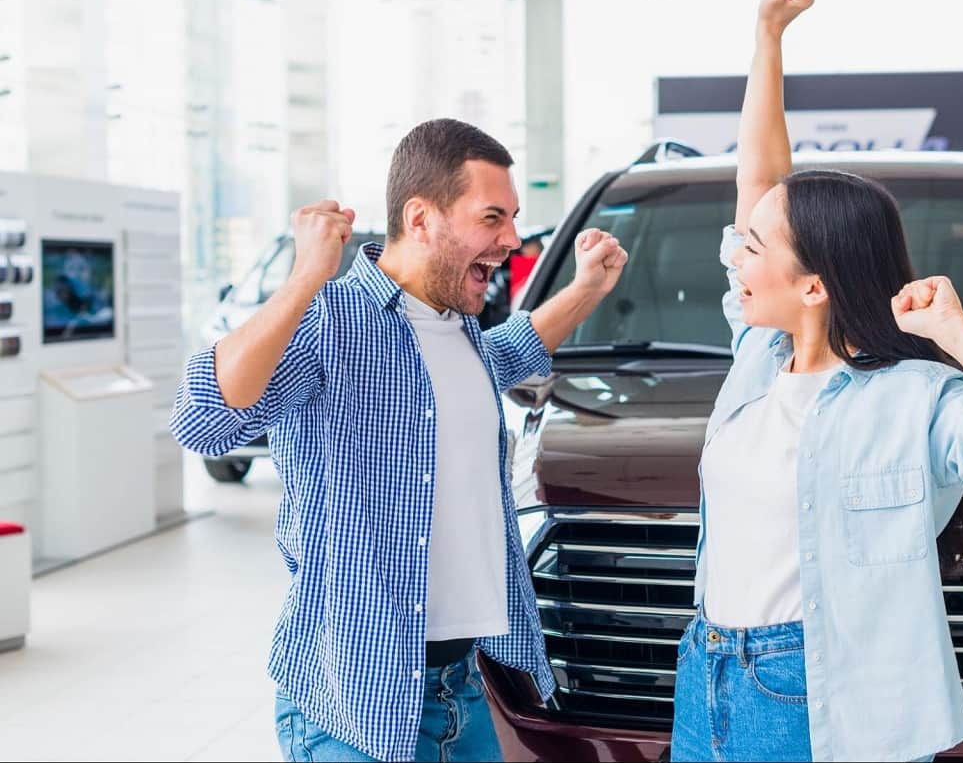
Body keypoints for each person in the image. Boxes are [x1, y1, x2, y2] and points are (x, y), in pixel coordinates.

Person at [669, 0, 963, 763]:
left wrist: (957, 333)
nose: (737, 257)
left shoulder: (917, 399)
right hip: (709, 674)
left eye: (753, 249)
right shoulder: (759, 357)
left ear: (816, 286)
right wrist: (768, 37)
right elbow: (760, 184)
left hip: (823, 696)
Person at [170, 119, 629, 762]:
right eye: (492, 218)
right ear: (420, 217)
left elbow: (509, 351)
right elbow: (205, 420)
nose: (511, 239)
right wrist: (304, 278)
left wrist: (584, 291)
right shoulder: (331, 318)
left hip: (460, 691)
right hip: (356, 708)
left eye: (513, 217)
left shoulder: (457, 325)